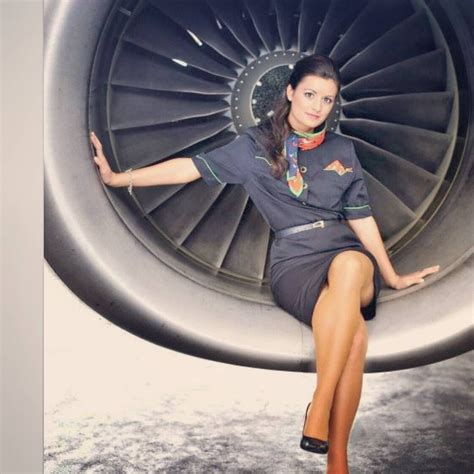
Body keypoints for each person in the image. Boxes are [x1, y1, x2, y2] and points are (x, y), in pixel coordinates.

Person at [90, 54, 440, 473]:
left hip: (346, 255)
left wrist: (392, 275)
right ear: (289, 92)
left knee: (350, 266)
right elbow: (189, 168)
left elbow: (360, 217)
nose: (316, 107)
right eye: (310, 94)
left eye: (327, 100)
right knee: (355, 340)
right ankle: (338, 463)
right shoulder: (252, 148)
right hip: (295, 262)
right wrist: (118, 178)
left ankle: (319, 406)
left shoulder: (343, 149)